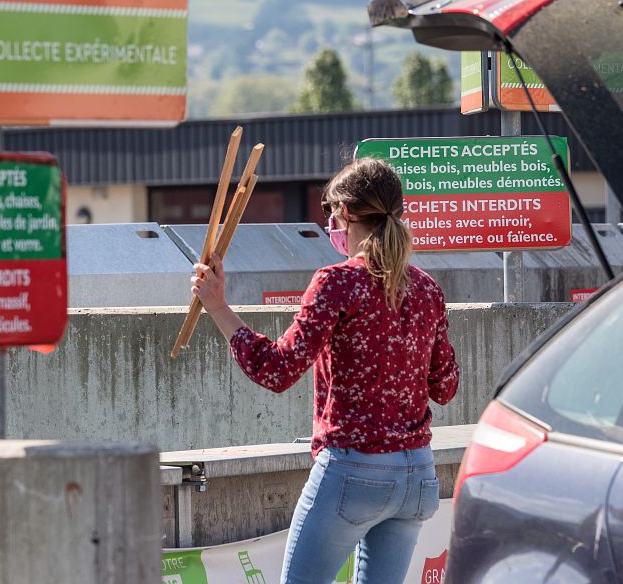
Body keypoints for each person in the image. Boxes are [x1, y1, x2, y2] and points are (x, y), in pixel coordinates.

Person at [191, 157, 460, 584]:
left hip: (353, 471)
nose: (330, 223)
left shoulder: (336, 282)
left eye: (332, 214)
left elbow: (277, 370)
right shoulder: (427, 289)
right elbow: (445, 387)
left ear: (347, 215)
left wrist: (219, 308)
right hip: (417, 475)